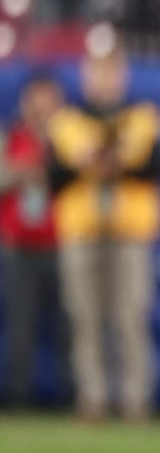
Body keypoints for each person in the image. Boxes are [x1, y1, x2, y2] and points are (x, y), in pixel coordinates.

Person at [47, 44, 160, 424]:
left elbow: (152, 166)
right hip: (82, 231)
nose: (103, 79)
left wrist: (108, 162)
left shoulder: (141, 116)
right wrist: (99, 161)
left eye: (110, 71)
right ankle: (92, 396)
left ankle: (135, 398)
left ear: (122, 75)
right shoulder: (66, 120)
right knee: (85, 318)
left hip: (129, 231)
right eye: (96, 71)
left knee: (130, 316)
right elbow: (57, 174)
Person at [0, 72, 70, 408]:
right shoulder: (11, 137)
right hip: (19, 247)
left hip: (64, 245)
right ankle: (18, 397)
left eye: (48, 99)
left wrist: (51, 167)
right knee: (20, 326)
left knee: (69, 327)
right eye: (36, 98)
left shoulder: (70, 138)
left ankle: (71, 395)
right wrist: (21, 170)